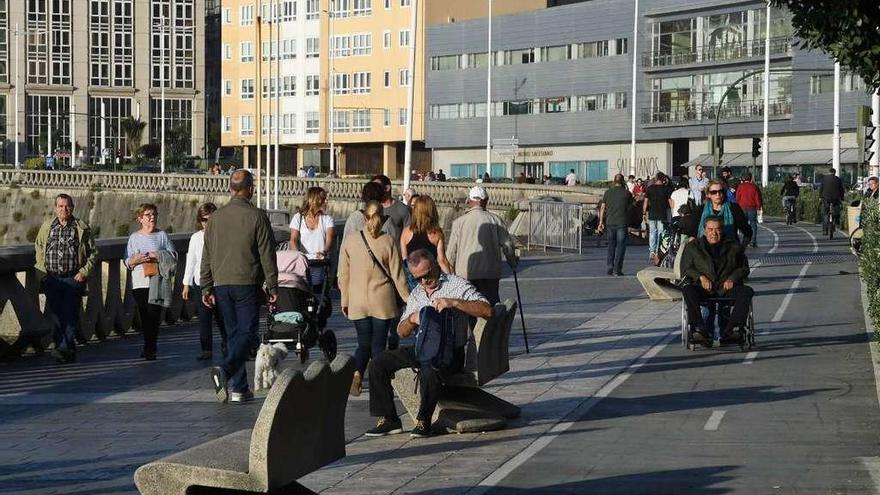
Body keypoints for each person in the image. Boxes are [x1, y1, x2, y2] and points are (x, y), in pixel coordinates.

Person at [365, 249, 492, 438]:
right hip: (423, 348)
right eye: (418, 278)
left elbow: (487, 310)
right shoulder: (417, 293)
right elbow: (401, 331)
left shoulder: (456, 285)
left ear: (434, 266)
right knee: (378, 363)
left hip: (449, 352)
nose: (424, 282)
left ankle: (424, 421)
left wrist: (455, 303)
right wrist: (412, 320)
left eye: (427, 275)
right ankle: (389, 419)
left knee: (429, 368)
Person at [202, 170, 279, 404]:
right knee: (247, 334)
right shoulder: (257, 216)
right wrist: (273, 286)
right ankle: (225, 371)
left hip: (221, 284)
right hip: (246, 282)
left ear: (230, 188)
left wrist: (206, 285)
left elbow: (207, 253)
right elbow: (267, 253)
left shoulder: (215, 218)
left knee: (234, 335)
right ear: (250, 189)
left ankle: (240, 388)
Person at [338, 201, 410, 397]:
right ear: (383, 216)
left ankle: (357, 372)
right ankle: (380, 384)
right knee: (379, 345)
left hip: (358, 300)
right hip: (382, 300)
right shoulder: (388, 241)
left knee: (363, 343)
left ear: (364, 217)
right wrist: (409, 300)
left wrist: (344, 300)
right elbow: (398, 275)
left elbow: (343, 275)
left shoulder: (351, 241)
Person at [34, 194, 98, 364]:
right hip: (52, 278)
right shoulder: (47, 227)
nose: (64, 209)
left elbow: (93, 253)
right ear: (55, 208)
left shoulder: (81, 228)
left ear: (73, 207)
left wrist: (84, 272)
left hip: (73, 278)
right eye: (61, 206)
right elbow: (39, 248)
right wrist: (43, 272)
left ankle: (62, 348)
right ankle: (67, 350)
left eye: (67, 206)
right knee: (55, 315)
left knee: (70, 315)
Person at [680, 216, 753, 346]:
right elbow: (686, 268)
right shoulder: (693, 246)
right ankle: (698, 329)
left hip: (726, 288)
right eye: (710, 229)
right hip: (703, 288)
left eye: (718, 229)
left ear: (722, 230)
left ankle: (733, 330)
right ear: (704, 230)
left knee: (746, 291)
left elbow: (744, 268)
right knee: (688, 290)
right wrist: (700, 277)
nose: (714, 233)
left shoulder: (733, 246)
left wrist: (732, 279)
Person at [446, 186, 517, 305]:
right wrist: (513, 263)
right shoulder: (495, 220)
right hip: (490, 273)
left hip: (465, 273)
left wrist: (450, 273)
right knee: (490, 306)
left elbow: (451, 252)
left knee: (468, 307)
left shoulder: (459, 222)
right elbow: (508, 245)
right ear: (485, 200)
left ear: (469, 201)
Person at [125, 204, 177, 361]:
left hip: (157, 281)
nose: (152, 217)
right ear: (140, 219)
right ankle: (148, 346)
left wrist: (158, 254)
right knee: (144, 316)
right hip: (140, 282)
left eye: (154, 214)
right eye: (148, 215)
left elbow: (173, 255)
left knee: (154, 316)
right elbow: (127, 261)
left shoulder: (162, 235)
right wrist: (137, 259)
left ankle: (150, 348)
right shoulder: (134, 238)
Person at [182, 203, 227, 361]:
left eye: (209, 219)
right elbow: (191, 260)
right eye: (203, 220)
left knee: (222, 316)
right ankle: (206, 349)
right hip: (199, 282)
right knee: (204, 318)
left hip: (219, 281)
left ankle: (227, 343)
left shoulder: (223, 235)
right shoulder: (196, 238)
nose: (206, 223)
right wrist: (186, 283)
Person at [290, 187, 335, 290]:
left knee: (319, 294)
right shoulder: (298, 218)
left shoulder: (327, 219)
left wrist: (324, 252)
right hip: (303, 265)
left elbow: (329, 240)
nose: (325, 201)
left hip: (320, 264)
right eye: (322, 199)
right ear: (313, 200)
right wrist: (299, 257)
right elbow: (293, 240)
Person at [401, 195, 452, 285]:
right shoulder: (436, 233)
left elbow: (405, 260)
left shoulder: (406, 232)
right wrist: (451, 280)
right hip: (431, 278)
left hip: (413, 279)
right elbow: (442, 261)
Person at [698, 179, 752, 247]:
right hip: (706, 252)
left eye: (720, 191)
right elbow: (693, 233)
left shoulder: (733, 208)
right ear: (708, 194)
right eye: (714, 192)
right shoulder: (701, 210)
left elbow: (747, 230)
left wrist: (741, 249)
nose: (718, 194)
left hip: (729, 251)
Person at [598, 174, 634, 276]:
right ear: (623, 182)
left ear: (614, 181)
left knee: (611, 245)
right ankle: (617, 269)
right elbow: (630, 207)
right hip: (622, 222)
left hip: (610, 222)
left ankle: (610, 266)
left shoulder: (608, 193)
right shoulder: (627, 194)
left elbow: (602, 207)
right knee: (621, 246)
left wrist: (600, 223)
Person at [643, 173, 673, 263]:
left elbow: (646, 201)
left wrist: (644, 212)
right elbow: (670, 202)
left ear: (655, 179)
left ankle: (651, 251)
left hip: (652, 213)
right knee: (661, 233)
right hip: (662, 213)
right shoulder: (666, 189)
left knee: (652, 232)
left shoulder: (649, 189)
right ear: (663, 179)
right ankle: (657, 251)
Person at [372, 174, 411, 241]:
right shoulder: (371, 209)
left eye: (377, 187)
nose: (374, 190)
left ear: (387, 188)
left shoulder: (402, 209)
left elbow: (408, 234)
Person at [735, 173, 763, 248]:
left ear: (743, 179)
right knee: (753, 224)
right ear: (751, 179)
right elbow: (757, 198)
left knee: (743, 225)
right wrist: (758, 207)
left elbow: (737, 197)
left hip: (742, 208)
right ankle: (753, 241)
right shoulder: (754, 187)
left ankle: (745, 240)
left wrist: (736, 206)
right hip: (752, 208)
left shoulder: (740, 186)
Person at [819, 167, 845, 235]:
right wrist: (842, 198)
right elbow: (841, 190)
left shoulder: (824, 179)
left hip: (826, 199)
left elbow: (821, 188)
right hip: (835, 199)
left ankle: (825, 230)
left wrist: (820, 197)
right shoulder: (838, 179)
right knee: (836, 212)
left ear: (829, 172)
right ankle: (835, 223)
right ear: (835, 173)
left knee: (825, 214)